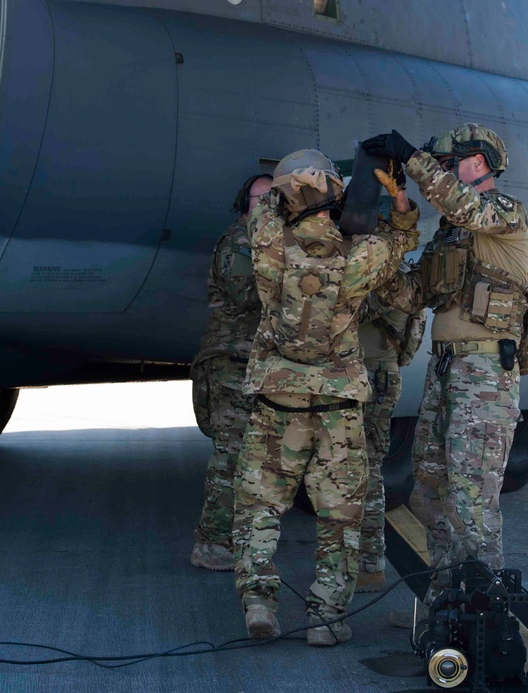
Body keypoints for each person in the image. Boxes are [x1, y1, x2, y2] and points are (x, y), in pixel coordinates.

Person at [232, 149, 419, 646]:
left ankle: (258, 602)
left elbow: (265, 209)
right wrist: (398, 199)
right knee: (339, 517)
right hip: (337, 405)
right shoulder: (360, 256)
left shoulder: (269, 243)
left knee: (258, 506)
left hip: (278, 398)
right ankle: (327, 617)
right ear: (333, 199)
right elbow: (400, 241)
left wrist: (289, 186)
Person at [362, 124, 528, 611]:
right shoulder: (453, 235)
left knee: (472, 501)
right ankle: (445, 603)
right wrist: (383, 247)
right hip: (445, 371)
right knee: (431, 492)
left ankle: (484, 614)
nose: (437, 172)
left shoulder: (502, 213)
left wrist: (412, 159)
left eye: (445, 164)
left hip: (484, 374)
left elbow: (460, 204)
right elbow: (415, 294)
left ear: (476, 163)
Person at [189, 173, 273, 571]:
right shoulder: (238, 244)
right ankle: (211, 542)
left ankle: (242, 539)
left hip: (255, 363)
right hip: (231, 364)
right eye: (259, 198)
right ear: (245, 205)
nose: (267, 204)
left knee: (255, 456)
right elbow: (249, 296)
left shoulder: (271, 243)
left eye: (274, 198)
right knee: (231, 455)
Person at [355, 286, 425, 593]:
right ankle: (368, 563)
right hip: (384, 373)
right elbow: (411, 346)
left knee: (356, 472)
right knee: (368, 469)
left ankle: (365, 564)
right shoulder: (405, 281)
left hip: (363, 375)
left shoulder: (372, 277)